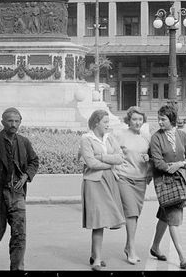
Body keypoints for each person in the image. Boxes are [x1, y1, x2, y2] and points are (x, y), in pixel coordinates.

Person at [0, 108, 39, 271]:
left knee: (19, 235)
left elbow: (34, 161)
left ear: (20, 122)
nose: (13, 124)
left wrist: (26, 176)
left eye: (17, 121)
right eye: (10, 121)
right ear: (3, 122)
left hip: (17, 195)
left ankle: (17, 268)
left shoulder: (24, 142)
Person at [148, 105, 186, 270]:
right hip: (164, 183)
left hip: (180, 181)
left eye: (163, 119)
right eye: (159, 119)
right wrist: (174, 167)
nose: (160, 122)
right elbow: (157, 162)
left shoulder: (182, 135)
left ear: (172, 120)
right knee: (173, 219)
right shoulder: (156, 138)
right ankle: (182, 257)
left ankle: (155, 247)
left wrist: (180, 164)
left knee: (165, 216)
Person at [79, 109, 125, 271]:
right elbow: (91, 163)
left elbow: (120, 157)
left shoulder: (109, 137)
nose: (108, 125)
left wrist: (103, 158)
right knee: (98, 221)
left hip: (109, 181)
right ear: (96, 122)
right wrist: (111, 163)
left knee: (104, 219)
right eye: (105, 122)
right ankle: (97, 260)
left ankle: (94, 255)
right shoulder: (86, 139)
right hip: (94, 182)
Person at [112, 106, 151, 265]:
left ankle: (129, 245)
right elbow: (111, 153)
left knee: (136, 214)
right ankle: (132, 248)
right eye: (134, 119)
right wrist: (113, 169)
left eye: (140, 119)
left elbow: (153, 157)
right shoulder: (119, 135)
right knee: (131, 213)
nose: (137, 122)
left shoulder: (146, 137)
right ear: (128, 120)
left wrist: (149, 162)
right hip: (124, 178)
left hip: (140, 179)